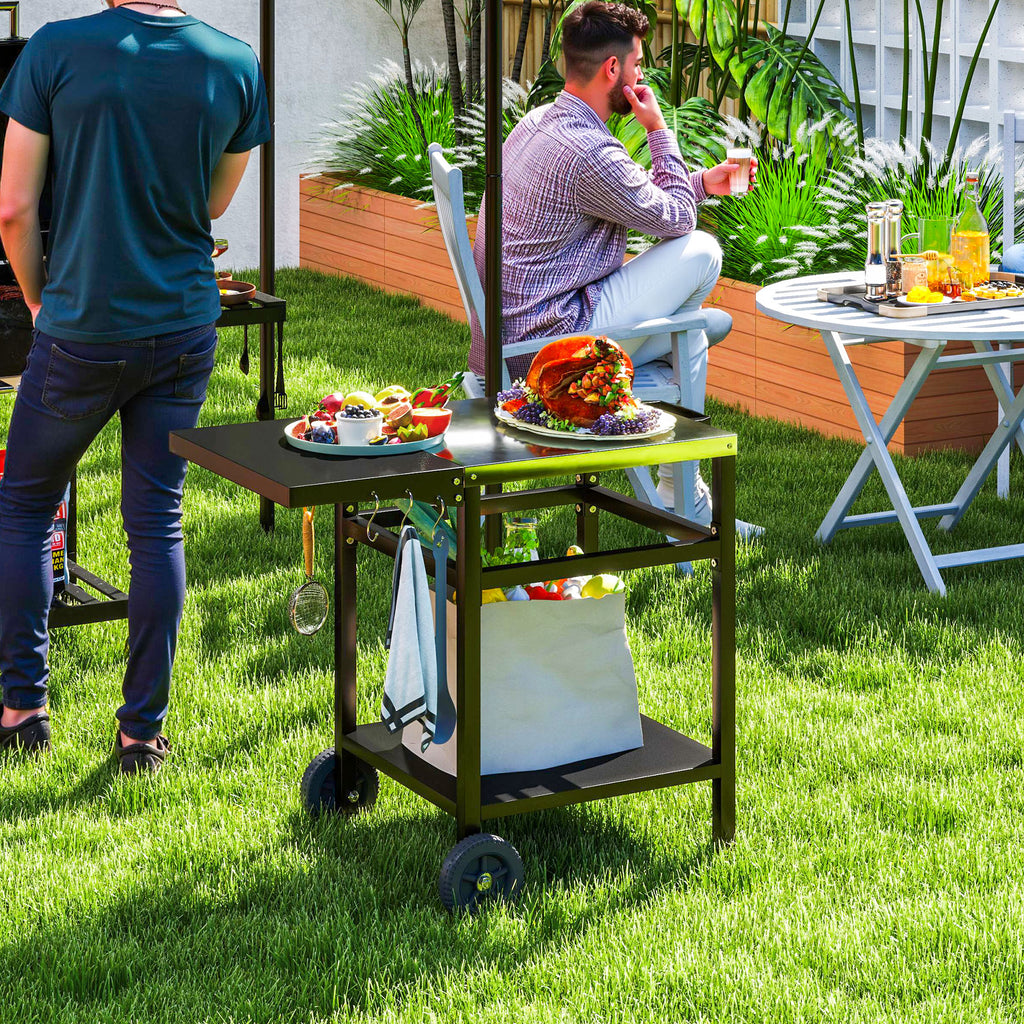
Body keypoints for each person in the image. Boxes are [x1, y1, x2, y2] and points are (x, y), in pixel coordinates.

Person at [0, 1, 270, 769]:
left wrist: (38, 300)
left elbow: (14, 209)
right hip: (183, 327)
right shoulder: (235, 62)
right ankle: (141, 735)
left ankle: (22, 712)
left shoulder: (54, 51)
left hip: (81, 328)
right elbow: (209, 204)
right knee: (156, 521)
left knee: (23, 507)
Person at [470, 0, 756, 523]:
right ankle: (682, 501)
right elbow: (677, 221)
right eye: (638, 66)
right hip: (550, 354)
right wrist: (657, 128)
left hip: (510, 340)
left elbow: (630, 195)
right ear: (612, 69)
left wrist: (699, 183)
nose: (641, 77)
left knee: (690, 333)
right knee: (702, 253)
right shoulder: (589, 151)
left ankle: (683, 498)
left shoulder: (539, 122)